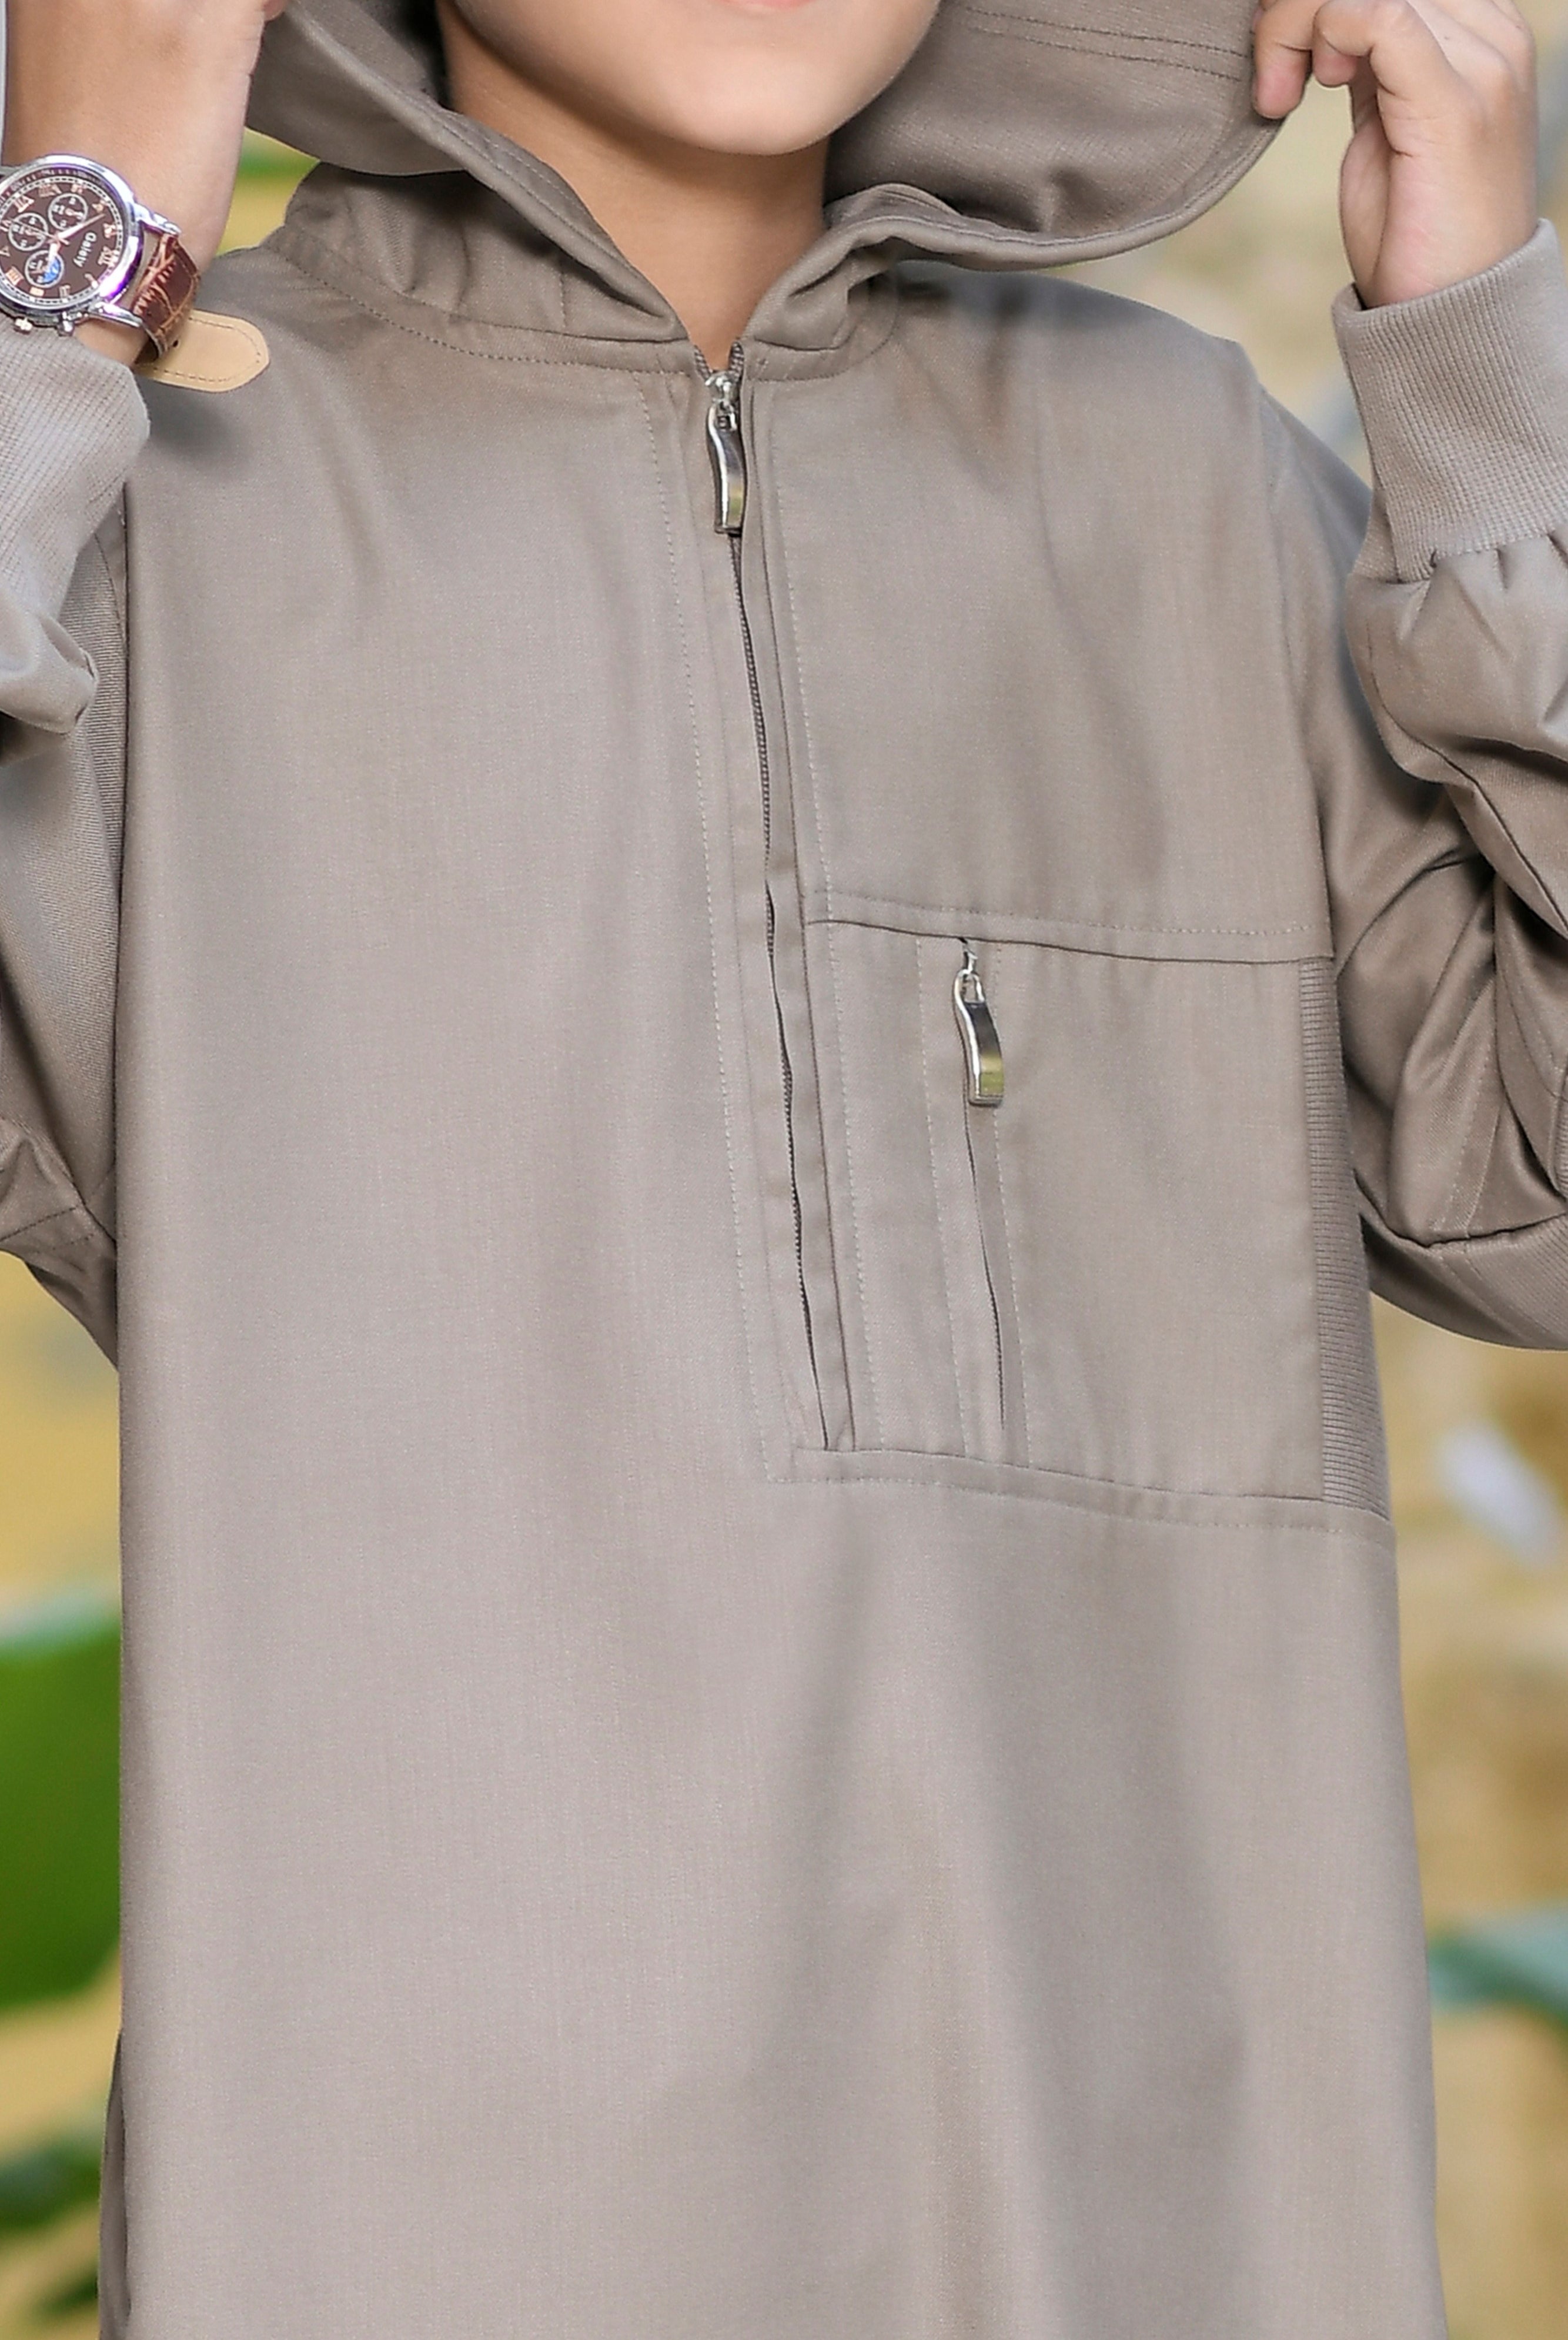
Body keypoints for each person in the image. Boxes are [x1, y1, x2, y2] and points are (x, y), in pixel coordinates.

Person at [1, 0, 1561, 2331]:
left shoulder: (1190, 487)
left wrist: (1475, 364)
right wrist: (70, 265)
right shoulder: (136, 504)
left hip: (1167, 2244)